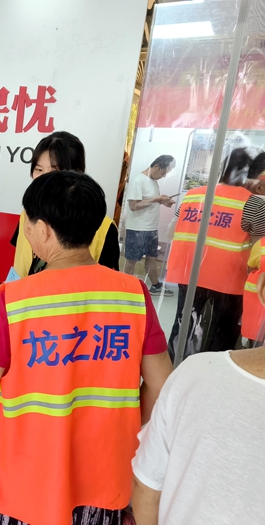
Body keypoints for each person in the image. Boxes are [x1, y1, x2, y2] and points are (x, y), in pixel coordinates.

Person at [0, 171, 172, 525]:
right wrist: (128, 425)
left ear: (44, 230)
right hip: (103, 469)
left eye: (28, 222)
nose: (25, 230)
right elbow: (161, 383)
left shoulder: (16, 298)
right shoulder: (133, 294)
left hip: (25, 472)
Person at [132, 277, 265, 524]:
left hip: (205, 281)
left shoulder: (194, 375)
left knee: (189, 320)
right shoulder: (132, 293)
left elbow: (146, 488)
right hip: (225, 282)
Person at [0, 131, 120, 310]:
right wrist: (4, 288)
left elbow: (107, 291)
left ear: (76, 175)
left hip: (67, 320)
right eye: (39, 170)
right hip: (24, 312)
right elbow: (21, 269)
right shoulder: (27, 215)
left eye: (55, 171)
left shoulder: (103, 228)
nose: (43, 179)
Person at [166, 148, 265, 357]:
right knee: (223, 331)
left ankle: (175, 365)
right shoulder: (254, 204)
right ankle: (213, 368)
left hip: (188, 273)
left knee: (183, 324)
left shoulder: (193, 195)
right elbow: (259, 252)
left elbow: (170, 232)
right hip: (229, 280)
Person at [123, 155, 176, 297]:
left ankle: (156, 286)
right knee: (132, 260)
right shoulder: (138, 180)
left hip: (151, 228)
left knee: (151, 257)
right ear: (157, 166)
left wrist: (162, 201)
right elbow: (134, 206)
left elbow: (148, 202)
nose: (164, 176)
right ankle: (125, 288)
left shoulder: (153, 181)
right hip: (137, 228)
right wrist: (155, 199)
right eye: (163, 172)